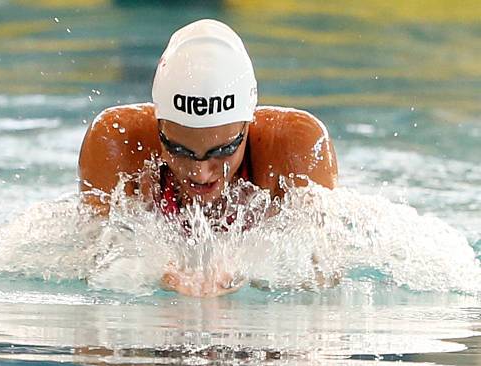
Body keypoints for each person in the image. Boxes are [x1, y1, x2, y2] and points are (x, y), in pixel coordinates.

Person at [78, 19, 338, 296]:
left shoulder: (295, 146)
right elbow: (97, 260)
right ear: (158, 126)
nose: (200, 173)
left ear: (248, 125)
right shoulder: (117, 140)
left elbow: (323, 271)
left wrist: (245, 269)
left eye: (223, 150)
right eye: (178, 150)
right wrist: (157, 273)